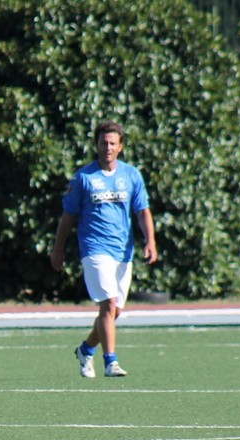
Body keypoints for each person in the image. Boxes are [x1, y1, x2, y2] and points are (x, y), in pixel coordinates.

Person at [50, 120, 157, 378]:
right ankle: (111, 361)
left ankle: (86, 350)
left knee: (114, 311)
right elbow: (68, 216)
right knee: (108, 304)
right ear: (96, 145)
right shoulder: (83, 178)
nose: (107, 147)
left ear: (120, 147)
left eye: (112, 143)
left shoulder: (131, 175)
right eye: (103, 142)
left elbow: (142, 211)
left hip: (123, 251)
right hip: (94, 248)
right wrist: (58, 248)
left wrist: (150, 241)